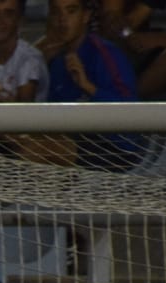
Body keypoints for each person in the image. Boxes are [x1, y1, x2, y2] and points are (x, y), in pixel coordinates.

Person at [34, 0, 143, 170]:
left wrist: (87, 86)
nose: (62, 20)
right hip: (72, 140)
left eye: (71, 11)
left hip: (114, 148)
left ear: (85, 16)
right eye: (56, 12)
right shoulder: (54, 60)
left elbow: (132, 116)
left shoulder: (106, 53)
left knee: (42, 148)